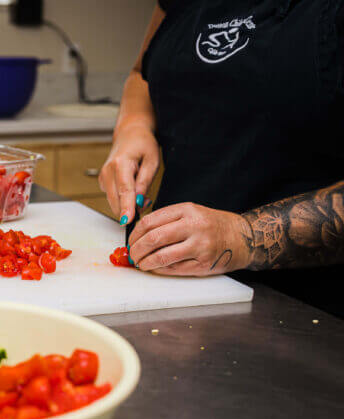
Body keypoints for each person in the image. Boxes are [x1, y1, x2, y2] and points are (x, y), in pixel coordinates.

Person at [100, 0, 344, 318]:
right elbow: (141, 75)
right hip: (170, 292)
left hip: (308, 318)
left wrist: (240, 235)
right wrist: (133, 126)